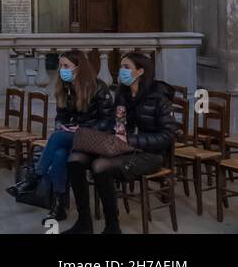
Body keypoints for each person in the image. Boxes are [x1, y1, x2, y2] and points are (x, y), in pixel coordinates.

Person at [62, 49, 177, 235]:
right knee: (75, 160)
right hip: (120, 147)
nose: (121, 71)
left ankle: (112, 226)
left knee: (100, 166)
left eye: (126, 67)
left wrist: (131, 139)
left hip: (149, 154)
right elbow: (112, 123)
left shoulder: (159, 98)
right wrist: (95, 131)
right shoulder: (123, 94)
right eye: (121, 67)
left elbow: (167, 136)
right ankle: (84, 222)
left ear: (140, 71)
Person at [6, 50, 112, 221]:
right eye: (61, 66)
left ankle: (34, 178)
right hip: (75, 138)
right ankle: (58, 206)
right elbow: (60, 117)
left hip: (96, 139)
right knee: (59, 154)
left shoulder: (98, 87)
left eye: (66, 66)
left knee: (57, 138)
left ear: (79, 68)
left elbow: (108, 122)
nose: (62, 69)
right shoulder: (66, 88)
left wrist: (79, 129)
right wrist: (62, 126)